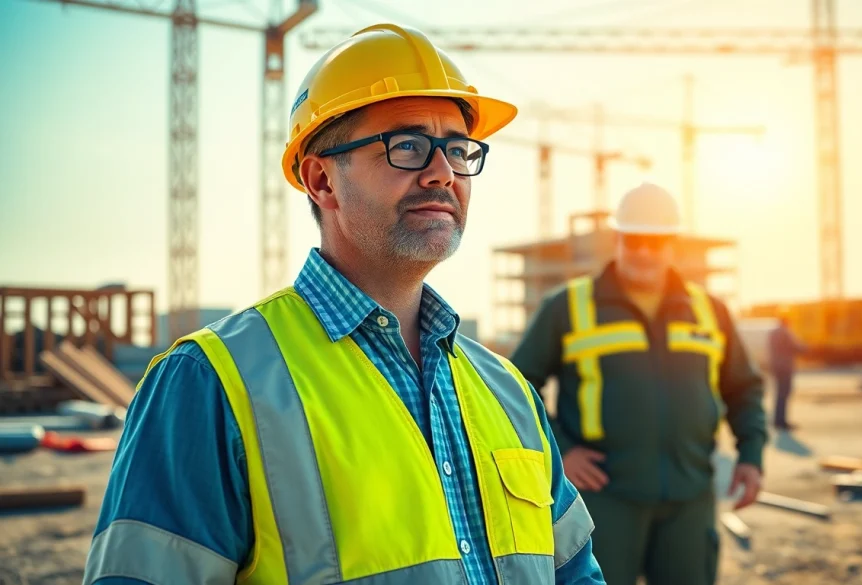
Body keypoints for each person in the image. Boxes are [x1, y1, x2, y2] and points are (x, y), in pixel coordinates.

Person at [82, 23, 604, 585]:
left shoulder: (509, 393)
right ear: (321, 180)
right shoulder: (209, 383)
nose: (444, 173)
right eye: (407, 146)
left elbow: (575, 573)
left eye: (458, 148)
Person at [509, 183, 768, 585]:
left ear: (673, 245)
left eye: (655, 241)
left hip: (690, 497)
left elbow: (743, 387)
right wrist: (563, 450)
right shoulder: (568, 307)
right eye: (634, 240)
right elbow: (516, 386)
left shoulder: (709, 311)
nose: (644, 252)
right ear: (618, 239)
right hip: (605, 499)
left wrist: (751, 455)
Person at [767, 310, 807, 430]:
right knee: (784, 394)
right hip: (785, 366)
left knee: (779, 393)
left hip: (775, 366)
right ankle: (781, 421)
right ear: (787, 321)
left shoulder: (773, 332)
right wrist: (806, 348)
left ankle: (777, 420)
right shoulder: (785, 332)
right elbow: (796, 346)